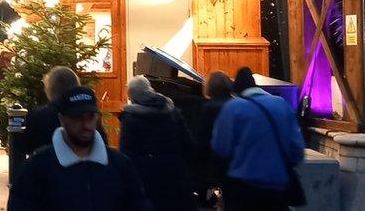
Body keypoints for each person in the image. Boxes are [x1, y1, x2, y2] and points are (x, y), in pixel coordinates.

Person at [7, 86, 151, 211]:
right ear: (62, 119)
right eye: (77, 117)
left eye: (90, 117)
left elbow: (139, 205)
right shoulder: (38, 166)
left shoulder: (119, 164)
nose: (86, 125)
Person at [212, 67, 305, 211]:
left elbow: (221, 147)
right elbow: (297, 150)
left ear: (236, 91)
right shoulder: (282, 104)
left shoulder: (233, 108)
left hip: (242, 191)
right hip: (277, 190)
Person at [119, 75, 196, 211]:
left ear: (133, 97)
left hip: (147, 181)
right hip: (175, 176)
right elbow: (188, 144)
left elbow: (127, 154)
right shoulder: (172, 111)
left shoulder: (130, 119)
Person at [20, 66, 80, 157]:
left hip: (44, 167)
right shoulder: (86, 115)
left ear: (50, 88)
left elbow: (24, 147)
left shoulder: (38, 116)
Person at [195, 70, 233, 206]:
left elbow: (203, 136)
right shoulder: (236, 104)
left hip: (213, 158)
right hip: (233, 158)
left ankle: (208, 200)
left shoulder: (209, 107)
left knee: (207, 184)